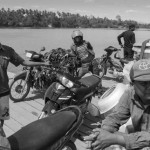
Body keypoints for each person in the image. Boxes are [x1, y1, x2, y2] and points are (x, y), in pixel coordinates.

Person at [84, 59, 150, 150]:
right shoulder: (130, 94)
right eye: (144, 83)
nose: (149, 87)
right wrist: (100, 134)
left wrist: (115, 139)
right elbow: (116, 117)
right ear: (132, 83)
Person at [0, 43, 49, 149]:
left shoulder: (8, 50)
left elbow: (23, 62)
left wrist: (43, 63)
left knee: (2, 118)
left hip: (4, 93)